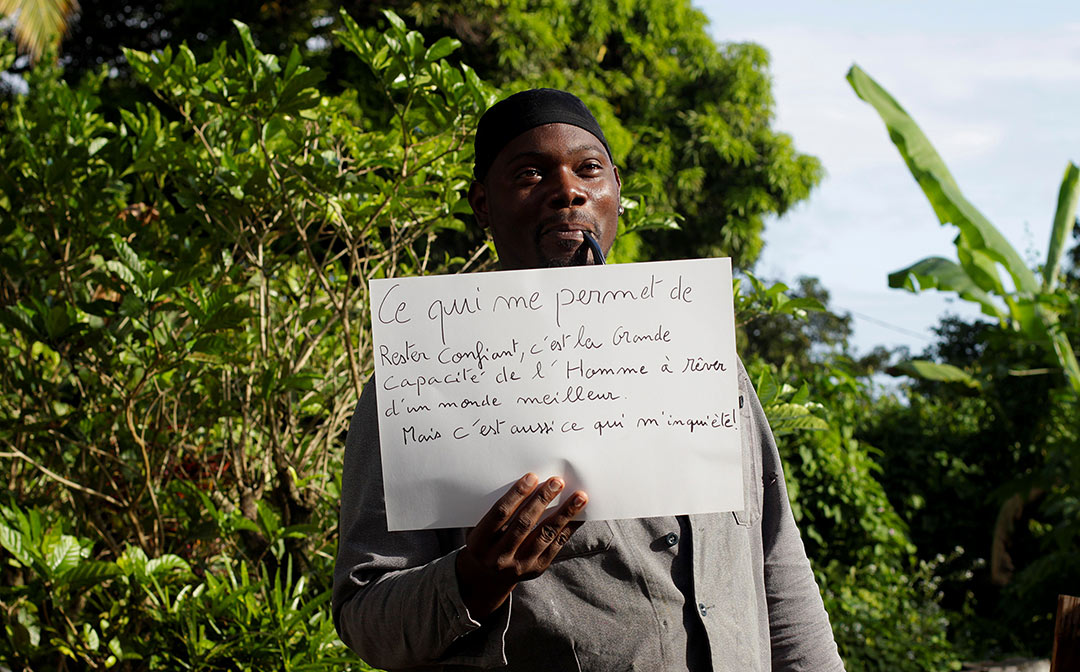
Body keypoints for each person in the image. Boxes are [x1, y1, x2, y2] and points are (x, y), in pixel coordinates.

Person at [333, 88, 845, 672]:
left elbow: (776, 562)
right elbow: (366, 618)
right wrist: (469, 580)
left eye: (588, 169)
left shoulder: (702, 357)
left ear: (616, 193)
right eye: (530, 173)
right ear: (481, 204)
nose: (568, 191)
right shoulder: (426, 375)